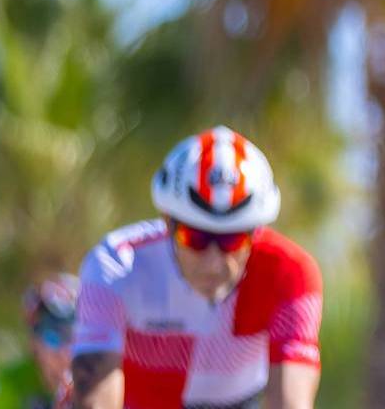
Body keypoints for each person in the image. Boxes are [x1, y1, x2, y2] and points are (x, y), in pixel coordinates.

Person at [71, 126, 322, 409]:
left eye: (232, 239)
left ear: (256, 232)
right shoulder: (115, 266)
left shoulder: (290, 273)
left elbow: (291, 403)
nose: (214, 263)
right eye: (196, 238)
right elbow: (96, 401)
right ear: (167, 223)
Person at [0, 275, 80, 409]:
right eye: (53, 336)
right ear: (33, 342)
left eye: (75, 336)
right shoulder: (12, 383)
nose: (65, 351)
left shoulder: (96, 377)